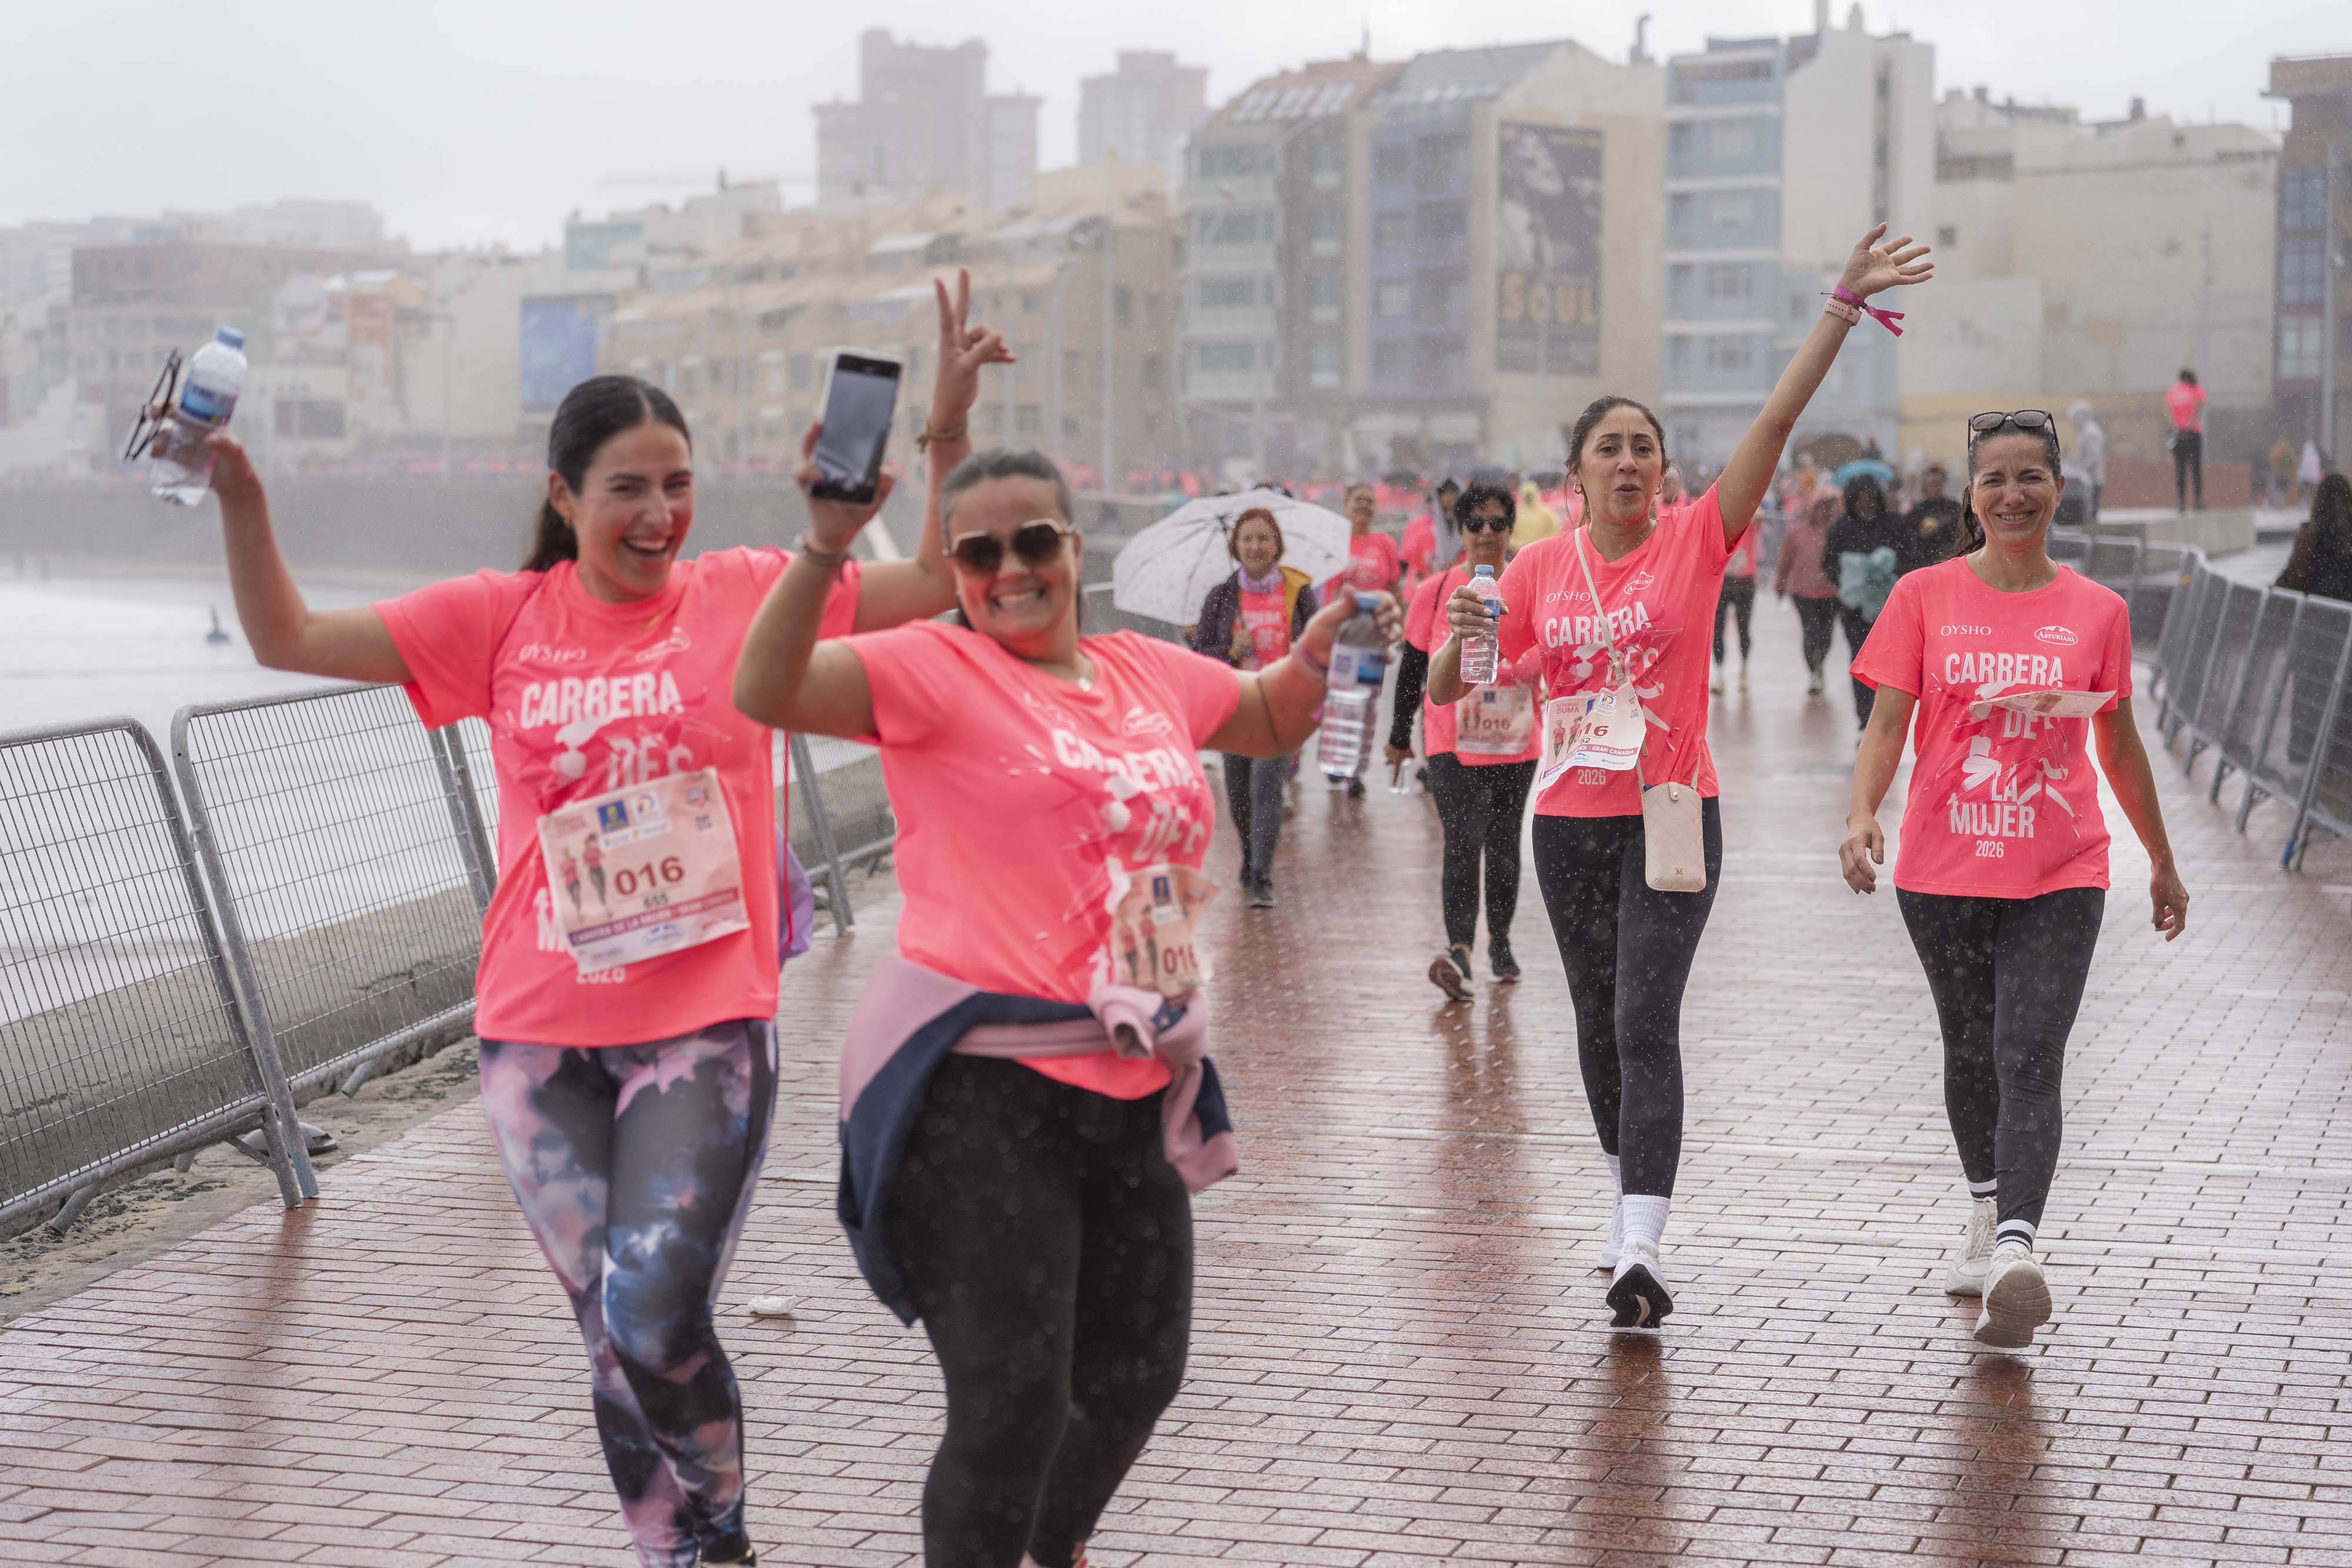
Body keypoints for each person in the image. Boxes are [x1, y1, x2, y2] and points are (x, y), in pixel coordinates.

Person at [158, 273, 1006, 1568]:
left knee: (656, 1310)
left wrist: (942, 430)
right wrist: (244, 497)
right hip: (534, 1034)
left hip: (702, 1022)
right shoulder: (497, 618)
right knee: (608, 1331)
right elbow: (285, 636)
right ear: (564, 496)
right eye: (627, 486)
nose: (660, 513)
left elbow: (945, 582)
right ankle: (679, 1550)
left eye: (676, 483)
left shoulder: (741, 591)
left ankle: (715, 1523)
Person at [733, 434, 1396, 1568]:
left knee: (1141, 1369)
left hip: (1131, 1076)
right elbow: (767, 686)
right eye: (978, 552)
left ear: (1074, 546)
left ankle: (1048, 1542)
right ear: (954, 568)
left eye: (1033, 540)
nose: (1010, 570)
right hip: (974, 1094)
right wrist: (823, 548)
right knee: (1010, 1407)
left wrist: (1315, 656)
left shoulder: (1142, 671)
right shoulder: (927, 668)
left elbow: (1265, 719)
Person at [1428, 224, 1933, 1329]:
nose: (1626, 463)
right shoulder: (1532, 567)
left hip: (1671, 814)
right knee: (1597, 1031)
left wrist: (1843, 304)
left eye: (1642, 448)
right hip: (1566, 817)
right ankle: (1625, 1204)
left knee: (1647, 1019)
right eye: (1606, 448)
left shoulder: (1699, 537)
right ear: (1573, 476)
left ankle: (1640, 1242)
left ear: (1664, 471)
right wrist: (1462, 628)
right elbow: (1450, 692)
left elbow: (1776, 419)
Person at [1841, 407, 2189, 1350]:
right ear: (1970, 494)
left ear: (2058, 488)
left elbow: (2119, 748)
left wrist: (2160, 859)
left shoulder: (2098, 611)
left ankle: (2017, 1251)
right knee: (1970, 1049)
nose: (2012, 494)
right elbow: (1886, 724)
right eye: (1994, 478)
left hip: (2060, 866)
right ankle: (1987, 1209)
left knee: (2030, 1056)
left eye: (2030, 476)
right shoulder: (1923, 595)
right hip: (1943, 864)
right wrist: (1860, 811)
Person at [1385, 480, 1539, 999]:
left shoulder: (1530, 584)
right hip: (1450, 738)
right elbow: (1411, 671)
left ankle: (1499, 938)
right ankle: (1459, 950)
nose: (1487, 533)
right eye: (1475, 523)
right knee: (1461, 839)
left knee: (1502, 844)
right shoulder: (1433, 592)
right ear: (1460, 529)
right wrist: (1397, 737)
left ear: (1510, 529)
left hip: (1516, 739)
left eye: (1498, 523)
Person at [1191, 506, 1319, 907]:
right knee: (1238, 794)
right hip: (1236, 704)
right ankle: (1249, 856)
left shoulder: (1299, 592)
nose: (1256, 546)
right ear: (1237, 546)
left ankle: (1263, 874)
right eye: (1248, 539)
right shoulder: (1222, 596)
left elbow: (1322, 644)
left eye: (1264, 538)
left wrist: (1306, 653)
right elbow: (1201, 657)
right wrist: (1230, 649)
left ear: (1276, 545)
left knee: (1267, 786)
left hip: (1282, 704)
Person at [1823, 471, 1909, 730]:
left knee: (1890, 666)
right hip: (1855, 611)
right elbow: (1829, 563)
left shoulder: (1893, 524)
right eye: (1861, 499)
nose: (1866, 504)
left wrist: (1886, 572)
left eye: (1870, 498)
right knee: (1861, 663)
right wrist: (1852, 580)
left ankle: (1887, 720)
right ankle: (1865, 719)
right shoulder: (1841, 527)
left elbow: (1910, 557)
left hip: (1890, 608)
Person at [1776, 492, 1843, 697]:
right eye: (1820, 507)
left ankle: (1819, 664)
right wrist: (1780, 584)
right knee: (1811, 630)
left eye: (1827, 508)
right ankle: (1815, 671)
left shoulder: (1835, 533)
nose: (1824, 512)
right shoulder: (1797, 533)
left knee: (1827, 634)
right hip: (1803, 591)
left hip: (1830, 591)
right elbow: (1786, 560)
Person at [1709, 465, 1758, 696]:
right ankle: (1719, 674)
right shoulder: (1715, 516)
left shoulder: (1750, 513)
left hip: (1745, 581)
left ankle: (1745, 670)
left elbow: (1759, 517)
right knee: (1717, 630)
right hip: (1722, 582)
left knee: (1743, 628)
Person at [2279, 470, 2352, 603]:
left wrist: (2275, 590)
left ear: (2319, 500)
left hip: (2316, 610)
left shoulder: (2311, 533)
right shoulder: (2346, 535)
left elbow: (2295, 576)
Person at [1325, 479, 1404, 601]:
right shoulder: (1332, 542)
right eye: (1359, 500)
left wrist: (1400, 618)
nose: (1364, 505)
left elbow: (1395, 588)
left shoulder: (1386, 542)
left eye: (1369, 502)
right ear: (1345, 504)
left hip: (1379, 616)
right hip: (1337, 616)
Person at [1399, 477, 1460, 588]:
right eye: (1446, 495)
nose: (1449, 499)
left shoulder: (1469, 534)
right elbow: (1416, 570)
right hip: (1431, 589)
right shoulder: (1424, 532)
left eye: (1453, 494)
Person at [1903, 462, 1964, 567]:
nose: (1935, 487)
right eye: (1931, 483)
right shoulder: (1917, 510)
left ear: (1943, 483)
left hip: (1948, 560)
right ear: (1925, 484)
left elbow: (1960, 534)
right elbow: (1908, 540)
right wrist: (1921, 535)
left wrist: (1940, 528)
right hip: (1923, 562)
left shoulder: (1954, 507)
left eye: (1937, 483)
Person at [2166, 368, 2206, 513]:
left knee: (2180, 469)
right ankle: (2198, 500)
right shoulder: (2196, 390)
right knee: (2196, 469)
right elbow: (2199, 409)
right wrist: (2190, 425)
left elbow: (2169, 413)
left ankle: (2181, 502)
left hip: (2178, 435)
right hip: (2193, 433)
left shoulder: (2173, 392)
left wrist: (2178, 427)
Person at [2066, 402, 2106, 521]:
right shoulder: (2087, 432)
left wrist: (2079, 468)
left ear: (2081, 417)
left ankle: (2093, 532)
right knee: (2090, 509)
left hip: (2092, 479)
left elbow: (2093, 458)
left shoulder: (2090, 433)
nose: (2074, 424)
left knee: (2091, 511)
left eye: (2075, 420)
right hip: (2090, 478)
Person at [2270, 437, 2298, 509]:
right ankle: (2284, 504)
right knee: (2285, 491)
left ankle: (2280, 504)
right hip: (2287, 475)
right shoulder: (2289, 452)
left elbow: (2273, 462)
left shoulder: (2278, 452)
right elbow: (2294, 463)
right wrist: (2292, 474)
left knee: (2278, 490)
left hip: (2279, 475)